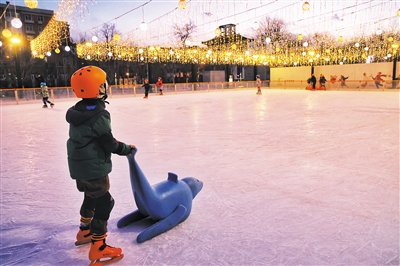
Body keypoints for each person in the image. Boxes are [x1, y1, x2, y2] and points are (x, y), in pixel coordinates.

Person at [66, 66, 135, 265]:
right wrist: (126, 149)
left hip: (79, 167)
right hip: (94, 167)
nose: (106, 86)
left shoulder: (77, 111)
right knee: (105, 202)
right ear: (97, 89)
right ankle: (98, 245)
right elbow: (109, 144)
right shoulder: (99, 115)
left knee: (90, 196)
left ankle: (84, 231)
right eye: (103, 84)